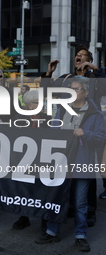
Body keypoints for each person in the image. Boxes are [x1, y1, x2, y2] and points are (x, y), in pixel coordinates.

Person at [35, 76, 106, 252]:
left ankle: (80, 236)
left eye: (77, 89)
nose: (73, 92)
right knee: (57, 198)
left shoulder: (96, 115)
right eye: (71, 89)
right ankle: (52, 232)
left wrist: (85, 133)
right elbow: (53, 133)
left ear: (86, 92)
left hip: (82, 165)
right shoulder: (61, 110)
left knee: (80, 203)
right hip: (61, 164)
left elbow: (101, 139)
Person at [41, 44, 106, 226]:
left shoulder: (94, 77)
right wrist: (48, 73)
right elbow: (46, 91)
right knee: (67, 170)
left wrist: (96, 70)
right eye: (77, 55)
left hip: (88, 127)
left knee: (86, 172)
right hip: (68, 128)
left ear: (90, 60)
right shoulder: (67, 78)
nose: (79, 57)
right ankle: (70, 206)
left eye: (83, 55)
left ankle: (89, 211)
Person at [11, 90, 51, 230]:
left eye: (42, 102)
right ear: (29, 105)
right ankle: (24, 216)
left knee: (42, 189)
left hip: (43, 159)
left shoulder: (48, 118)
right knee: (24, 190)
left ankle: (44, 218)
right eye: (37, 102)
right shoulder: (18, 118)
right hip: (24, 159)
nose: (42, 105)